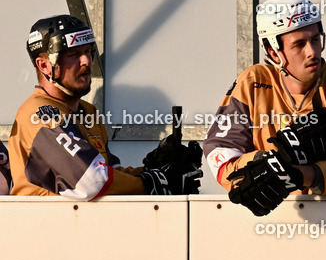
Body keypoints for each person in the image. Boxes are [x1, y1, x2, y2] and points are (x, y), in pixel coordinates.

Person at [204, 0, 326, 216]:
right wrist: (268, 161)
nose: (312, 52)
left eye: (315, 39)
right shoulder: (253, 82)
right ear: (273, 52)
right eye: (299, 44)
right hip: (272, 220)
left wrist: (299, 174)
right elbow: (220, 152)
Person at [10, 15, 202, 198]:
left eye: (88, 52)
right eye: (74, 54)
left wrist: (154, 169)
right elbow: (91, 181)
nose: (86, 61)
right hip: (40, 227)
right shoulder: (41, 114)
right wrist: (155, 182)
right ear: (44, 65)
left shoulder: (88, 111)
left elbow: (108, 172)